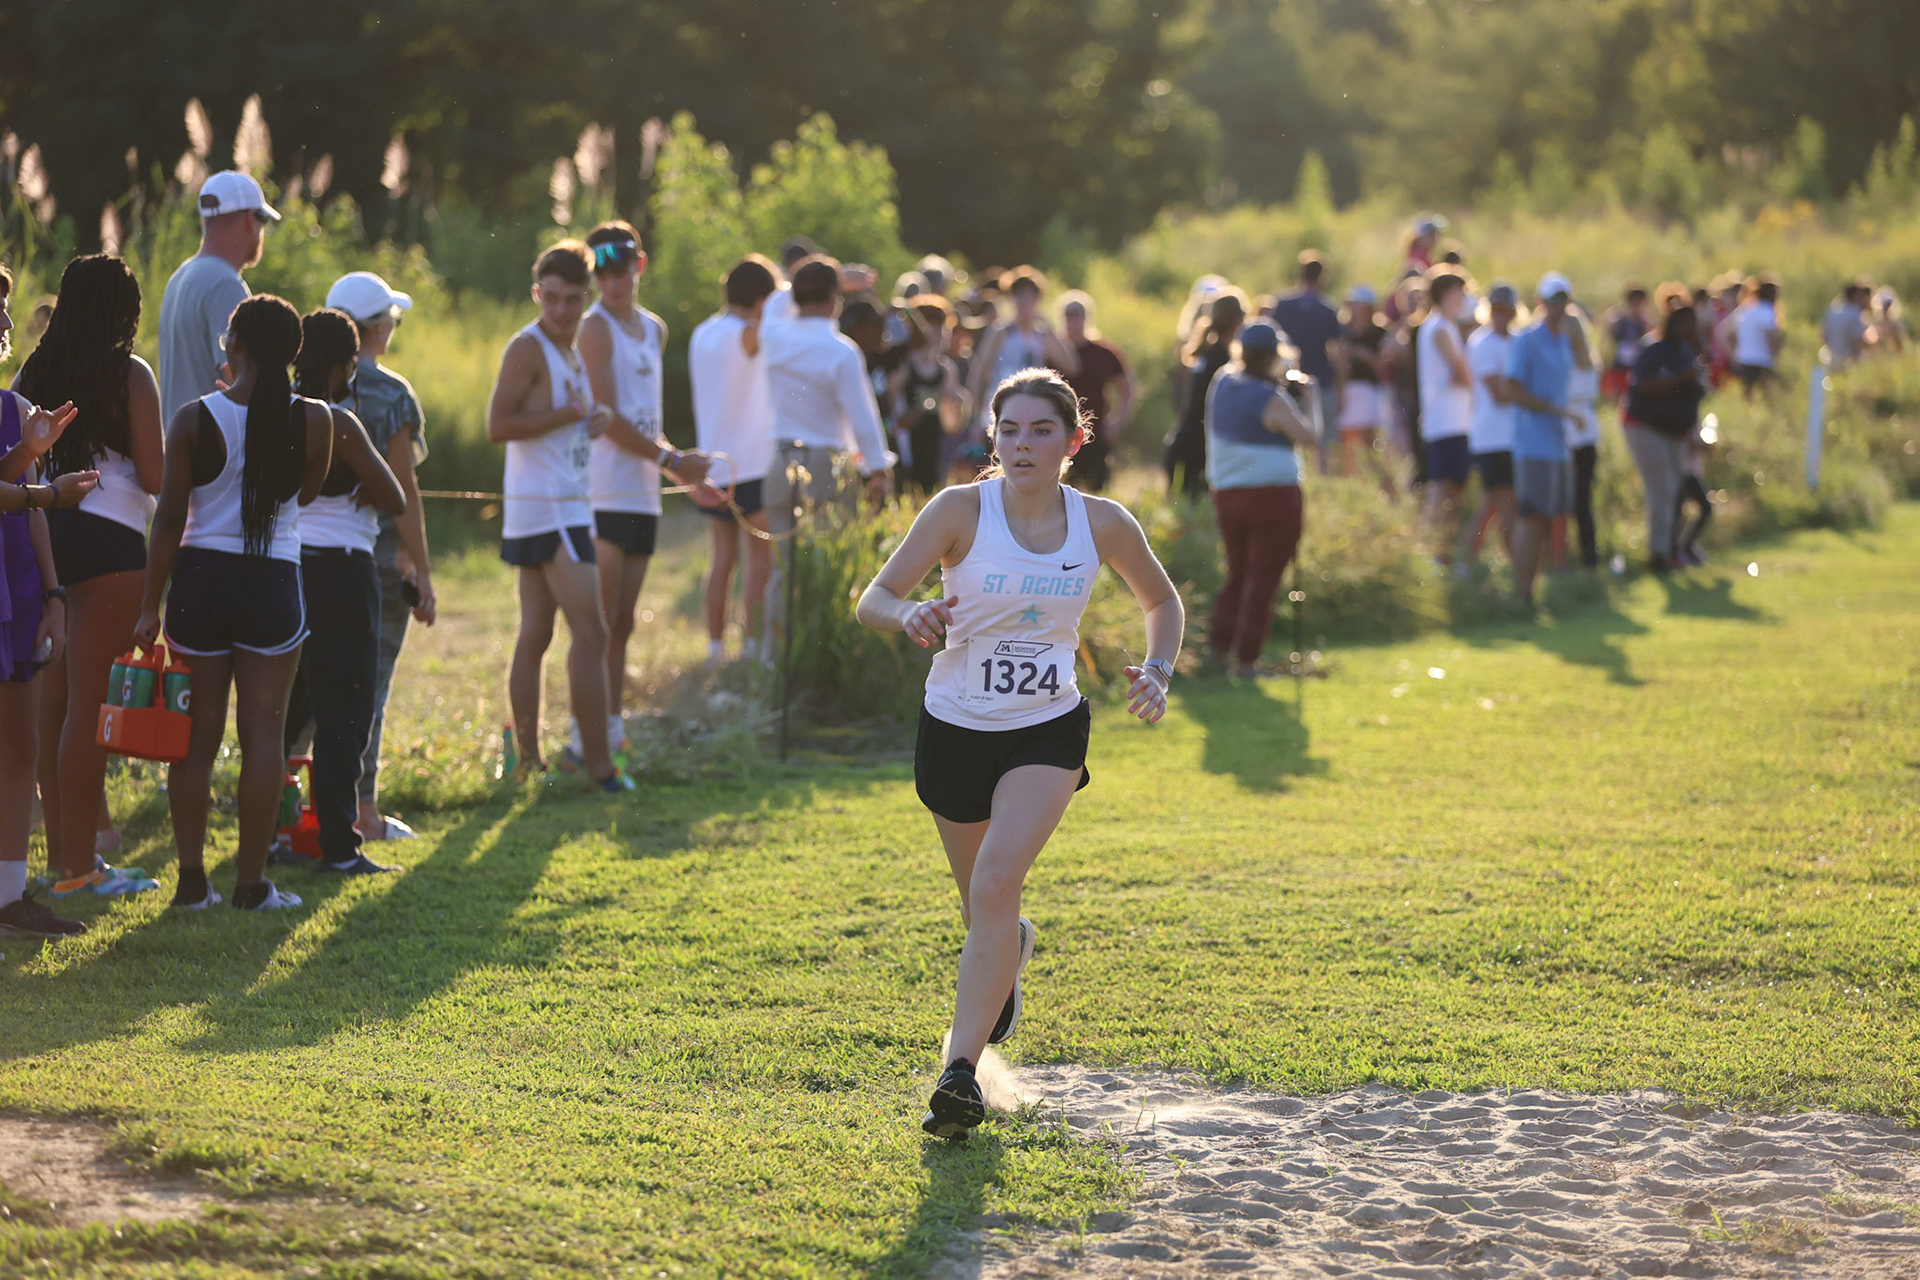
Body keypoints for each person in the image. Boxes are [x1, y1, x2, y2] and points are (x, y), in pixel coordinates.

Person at [854, 368, 1183, 1141]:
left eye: (1042, 431)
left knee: (1000, 882)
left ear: (1073, 441)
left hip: (1047, 728)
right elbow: (873, 599)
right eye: (1009, 431)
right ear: (993, 439)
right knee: (983, 908)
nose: (1023, 444)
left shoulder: (1101, 522)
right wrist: (909, 614)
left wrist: (1157, 671)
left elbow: (1161, 602)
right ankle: (1010, 954)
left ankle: (959, 1074)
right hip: (955, 726)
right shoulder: (959, 512)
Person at [134, 294, 333, 911]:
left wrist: (149, 606)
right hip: (273, 578)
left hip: (201, 579)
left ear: (234, 345)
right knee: (264, 738)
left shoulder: (194, 417)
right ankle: (252, 885)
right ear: (294, 351)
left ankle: (192, 883)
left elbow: (168, 519)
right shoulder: (317, 418)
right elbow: (304, 494)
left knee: (195, 740)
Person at [17, 256, 165, 898]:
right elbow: (157, 478)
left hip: (43, 533)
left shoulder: (31, 371)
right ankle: (78, 868)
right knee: (89, 708)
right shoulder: (130, 374)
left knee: (53, 709)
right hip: (111, 541)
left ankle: (62, 863)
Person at [485, 241, 628, 792]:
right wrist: (567, 414)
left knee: (538, 633)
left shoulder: (571, 349)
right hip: (549, 509)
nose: (562, 310)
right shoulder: (528, 347)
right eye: (552, 298)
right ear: (536, 293)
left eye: (573, 300)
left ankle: (528, 761)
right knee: (593, 632)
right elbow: (499, 425)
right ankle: (598, 767)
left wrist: (595, 417)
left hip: (562, 503)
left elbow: (564, 417)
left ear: (587, 297)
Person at [579, 222, 710, 756]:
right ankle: (582, 736)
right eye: (601, 271)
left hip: (643, 493)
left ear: (640, 264)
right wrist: (671, 460)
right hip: (603, 491)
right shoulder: (594, 327)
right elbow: (606, 416)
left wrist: (677, 468)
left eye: (621, 268)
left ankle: (611, 728)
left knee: (625, 622)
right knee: (599, 624)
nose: (613, 281)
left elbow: (645, 419)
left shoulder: (653, 329)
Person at [285, 308, 405, 874]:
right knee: (345, 711)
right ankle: (339, 844)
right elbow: (396, 497)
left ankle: (273, 832)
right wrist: (363, 476)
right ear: (343, 365)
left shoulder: (276, 415)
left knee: (288, 710)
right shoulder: (341, 423)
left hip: (289, 568)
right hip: (343, 572)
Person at [322, 270, 437, 842]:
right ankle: (363, 812)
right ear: (375, 327)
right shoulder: (394, 393)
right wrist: (423, 568)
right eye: (391, 318)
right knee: (370, 687)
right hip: (380, 561)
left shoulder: (308, 384)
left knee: (312, 691)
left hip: (311, 557)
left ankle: (300, 809)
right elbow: (405, 492)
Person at [0, 261, 97, 938]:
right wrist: (46, 490)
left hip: (18, 591)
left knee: (19, 749)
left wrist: (56, 594)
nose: (6, 323)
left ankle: (11, 899)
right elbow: (28, 496)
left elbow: (25, 509)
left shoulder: (10, 406)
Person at [759, 255, 896, 645]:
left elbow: (774, 303)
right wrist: (878, 468)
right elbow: (863, 418)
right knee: (828, 570)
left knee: (783, 575)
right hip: (825, 466)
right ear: (835, 298)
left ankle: (774, 658)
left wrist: (819, 279)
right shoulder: (841, 349)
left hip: (780, 461)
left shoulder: (775, 335)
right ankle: (819, 656)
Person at [1202, 323, 1319, 677]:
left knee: (1238, 574)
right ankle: (1246, 659)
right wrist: (1310, 399)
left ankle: (1219, 649)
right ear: (1273, 355)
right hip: (1273, 495)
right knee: (1262, 579)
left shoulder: (1222, 381)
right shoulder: (1271, 398)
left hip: (1228, 493)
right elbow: (1310, 436)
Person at [689, 256, 778, 665]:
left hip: (712, 465)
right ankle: (754, 646)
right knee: (759, 561)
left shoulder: (701, 333)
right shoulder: (746, 334)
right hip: (751, 463)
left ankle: (713, 647)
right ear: (761, 300)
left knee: (721, 560)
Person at [158, 171, 278, 419]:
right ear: (249, 220)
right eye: (262, 220)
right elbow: (237, 377)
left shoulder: (180, 277)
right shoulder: (225, 284)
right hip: (213, 448)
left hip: (179, 445)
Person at [1504, 273, 1580, 607]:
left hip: (1557, 444)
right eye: (1552, 300)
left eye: (1563, 300)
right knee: (1531, 518)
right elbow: (1512, 388)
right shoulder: (1527, 340)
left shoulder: (1562, 340)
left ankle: (1540, 594)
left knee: (1550, 520)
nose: (1558, 307)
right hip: (1533, 443)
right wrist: (1551, 408)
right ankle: (1521, 595)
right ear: (1540, 302)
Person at [1621, 300, 1708, 572]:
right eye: (1684, 321)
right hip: (1646, 428)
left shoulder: (1690, 352)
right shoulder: (1656, 349)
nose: (1690, 327)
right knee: (1663, 490)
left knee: (1675, 491)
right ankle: (1658, 556)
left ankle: (1670, 550)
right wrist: (1678, 380)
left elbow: (1694, 396)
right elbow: (1641, 385)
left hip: (1675, 433)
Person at [966, 268, 1078, 458]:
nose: (1024, 302)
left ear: (1037, 299)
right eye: (1019, 296)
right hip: (1001, 410)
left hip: (1032, 413)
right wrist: (975, 420)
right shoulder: (1001, 332)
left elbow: (1071, 365)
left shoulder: (1042, 334)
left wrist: (1050, 328)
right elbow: (978, 374)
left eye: (1029, 296)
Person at [1416, 270, 1474, 567]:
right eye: (1459, 292)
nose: (1463, 298)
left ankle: (1443, 556)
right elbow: (1463, 372)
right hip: (1446, 422)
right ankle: (1428, 557)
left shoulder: (1444, 327)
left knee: (1453, 491)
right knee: (1441, 491)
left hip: (1454, 421)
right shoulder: (1439, 327)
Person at [1166, 289, 1247, 498]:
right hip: (1201, 449)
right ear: (1237, 320)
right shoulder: (1223, 360)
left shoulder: (1206, 353)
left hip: (1186, 442)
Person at [1267, 252, 1341, 472]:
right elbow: (1338, 352)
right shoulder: (1328, 310)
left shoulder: (1282, 305)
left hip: (1286, 384)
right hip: (1320, 381)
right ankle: (1322, 484)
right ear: (1322, 277)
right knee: (1322, 443)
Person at [889, 297, 969, 498]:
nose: (939, 332)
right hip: (906, 452)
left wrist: (958, 403)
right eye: (932, 326)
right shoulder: (902, 365)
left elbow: (953, 425)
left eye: (942, 326)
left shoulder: (946, 369)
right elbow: (890, 413)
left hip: (935, 451)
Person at [1055, 292, 1134, 493]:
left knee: (1097, 492)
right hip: (1060, 433)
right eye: (1069, 315)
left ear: (1087, 317)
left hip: (1096, 433)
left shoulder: (1103, 352)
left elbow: (1127, 388)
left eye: (1078, 314)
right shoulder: (1053, 353)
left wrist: (1117, 422)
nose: (1073, 320)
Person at [1464, 284, 1520, 566]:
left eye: (1506, 309)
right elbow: (1500, 394)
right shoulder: (1481, 342)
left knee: (1504, 503)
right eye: (1496, 309)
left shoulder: (1516, 341)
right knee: (1497, 502)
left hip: (1511, 437)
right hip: (1491, 436)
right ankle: (1472, 560)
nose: (1501, 315)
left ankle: (1509, 563)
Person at [1332, 286, 1396, 497]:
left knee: (1370, 446)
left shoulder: (1379, 332)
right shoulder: (1344, 331)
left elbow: (1382, 368)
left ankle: (1384, 492)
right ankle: (1357, 491)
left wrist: (1363, 355)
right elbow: (1340, 367)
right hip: (1349, 392)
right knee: (1349, 447)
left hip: (1370, 393)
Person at [1559, 307, 1603, 570]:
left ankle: (1573, 559)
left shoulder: (1569, 364)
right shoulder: (1589, 364)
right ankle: (1587, 558)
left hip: (1572, 438)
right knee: (1582, 503)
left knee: (1572, 502)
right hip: (1586, 436)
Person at [1722, 275, 1785, 396]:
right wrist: (1776, 353)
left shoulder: (1746, 309)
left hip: (1743, 361)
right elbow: (1771, 336)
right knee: (1765, 400)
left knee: (1747, 399)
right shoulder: (1767, 311)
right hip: (1761, 362)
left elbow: (1727, 334)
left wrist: (1734, 356)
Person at [1602, 285, 1651, 403]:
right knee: (1617, 399)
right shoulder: (1618, 321)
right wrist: (1605, 361)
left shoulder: (1644, 322)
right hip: (1620, 366)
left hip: (1637, 367)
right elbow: (1606, 342)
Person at [1821, 279, 1874, 369]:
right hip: (1849, 364)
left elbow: (1823, 337)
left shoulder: (1832, 311)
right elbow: (1860, 340)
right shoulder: (1855, 314)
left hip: (1831, 361)